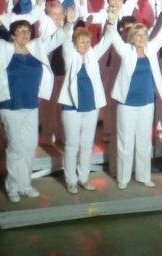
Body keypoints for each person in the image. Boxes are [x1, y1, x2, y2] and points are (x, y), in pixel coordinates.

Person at [0, 10, 65, 202]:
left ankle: (25, 184)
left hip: (31, 105)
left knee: (29, 145)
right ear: (12, 35)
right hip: (10, 106)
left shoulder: (37, 47)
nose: (25, 34)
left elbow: (56, 39)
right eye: (20, 31)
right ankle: (13, 187)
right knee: (16, 147)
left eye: (27, 30)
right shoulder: (4, 49)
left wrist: (67, 23)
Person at [105, 4, 162, 189]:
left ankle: (143, 176)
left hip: (146, 103)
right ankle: (123, 178)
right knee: (125, 142)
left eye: (144, 35)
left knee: (144, 141)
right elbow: (113, 36)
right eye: (138, 35)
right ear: (132, 38)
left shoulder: (151, 49)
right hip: (127, 104)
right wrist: (111, 21)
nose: (142, 38)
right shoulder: (126, 51)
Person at [59, 18, 112, 193]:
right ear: (74, 43)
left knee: (87, 144)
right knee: (72, 145)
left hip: (91, 106)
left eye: (88, 41)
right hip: (71, 107)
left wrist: (111, 23)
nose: (86, 45)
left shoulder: (92, 55)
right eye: (82, 42)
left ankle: (84, 178)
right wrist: (68, 22)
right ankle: (71, 180)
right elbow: (65, 40)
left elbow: (106, 41)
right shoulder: (70, 55)